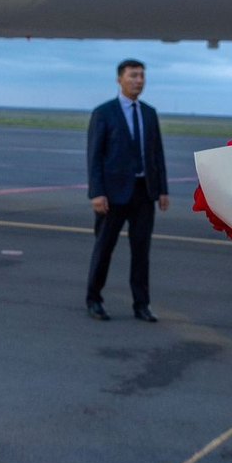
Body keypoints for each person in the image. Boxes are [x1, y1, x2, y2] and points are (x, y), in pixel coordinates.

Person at [85, 59, 169, 321]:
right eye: (133, 75)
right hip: (112, 195)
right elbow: (94, 156)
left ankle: (141, 304)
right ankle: (94, 299)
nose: (139, 80)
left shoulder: (149, 113)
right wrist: (96, 193)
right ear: (119, 79)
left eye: (142, 75)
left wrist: (162, 190)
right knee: (104, 248)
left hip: (144, 192)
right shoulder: (104, 113)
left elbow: (157, 154)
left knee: (141, 251)